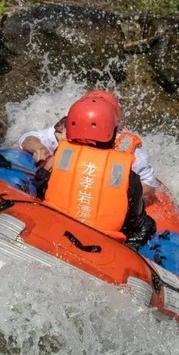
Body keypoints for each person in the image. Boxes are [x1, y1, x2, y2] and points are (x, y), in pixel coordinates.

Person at [42, 95, 156, 246]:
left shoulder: (58, 157)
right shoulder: (127, 174)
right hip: (103, 244)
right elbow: (136, 223)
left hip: (55, 231)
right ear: (113, 132)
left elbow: (41, 188)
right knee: (148, 225)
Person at [18, 90, 157, 200]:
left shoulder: (127, 147)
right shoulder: (70, 127)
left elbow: (148, 183)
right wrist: (39, 148)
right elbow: (28, 138)